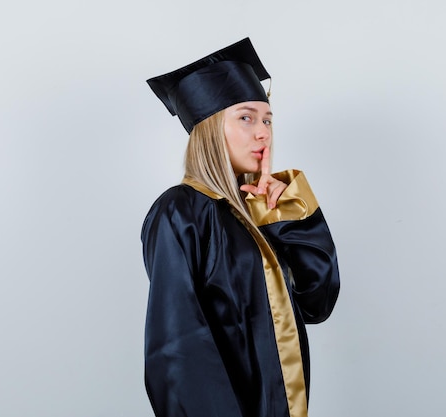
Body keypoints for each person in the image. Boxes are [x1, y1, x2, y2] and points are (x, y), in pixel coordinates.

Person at [141, 38, 340, 417]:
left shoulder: (260, 211)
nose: (264, 132)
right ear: (210, 129)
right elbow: (178, 349)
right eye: (246, 117)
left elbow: (318, 303)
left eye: (267, 119)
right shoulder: (179, 212)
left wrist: (288, 214)